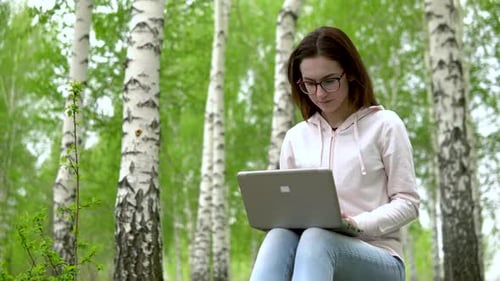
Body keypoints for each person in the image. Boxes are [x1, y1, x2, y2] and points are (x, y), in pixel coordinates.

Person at [249, 26, 420, 281]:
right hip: (312, 253)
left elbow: (408, 202)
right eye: (309, 83)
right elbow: (291, 211)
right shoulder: (296, 138)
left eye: (329, 81)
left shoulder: (385, 125)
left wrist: (357, 224)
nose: (319, 93)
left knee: (317, 238)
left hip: (379, 257)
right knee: (279, 235)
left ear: (349, 73)